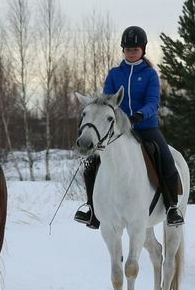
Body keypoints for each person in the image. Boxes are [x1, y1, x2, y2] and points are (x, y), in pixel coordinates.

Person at [74, 25, 185, 228]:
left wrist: (139, 116)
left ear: (143, 50)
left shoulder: (150, 74)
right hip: (117, 130)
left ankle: (172, 207)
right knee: (91, 164)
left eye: (135, 49)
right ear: (123, 50)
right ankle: (92, 209)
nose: (131, 52)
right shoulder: (115, 73)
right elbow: (107, 100)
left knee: (165, 158)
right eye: (128, 49)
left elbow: (153, 101)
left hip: (145, 126)